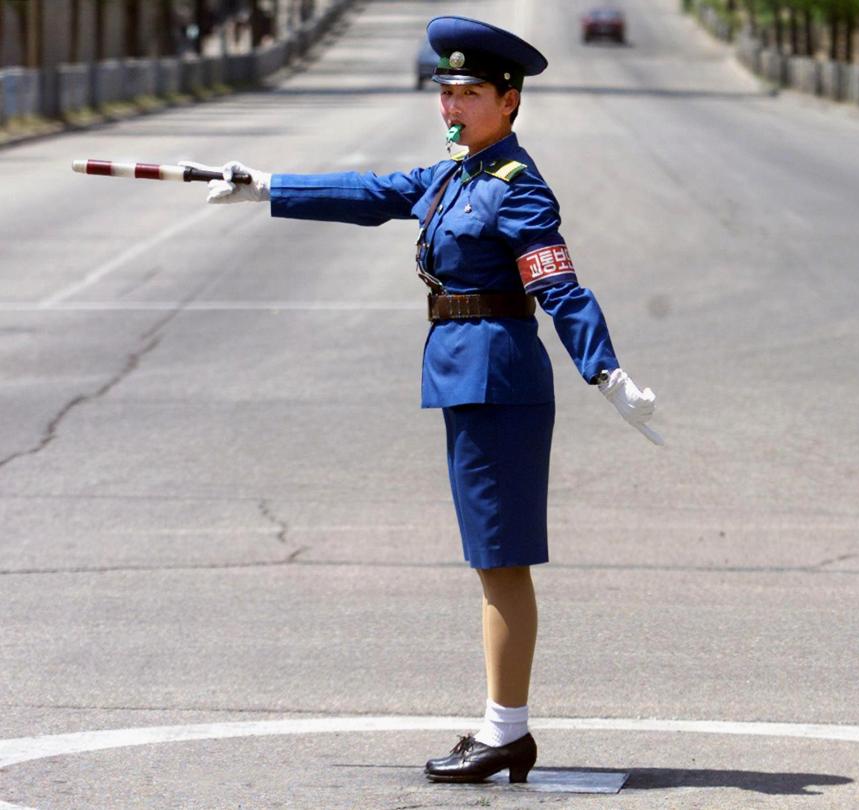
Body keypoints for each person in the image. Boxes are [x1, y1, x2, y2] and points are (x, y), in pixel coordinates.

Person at [181, 15, 659, 785]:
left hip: (498, 382)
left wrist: (606, 374)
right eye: (446, 92)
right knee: (490, 556)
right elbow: (374, 191)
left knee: (500, 559)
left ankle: (506, 730)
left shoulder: (516, 188)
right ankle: (504, 727)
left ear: (509, 101)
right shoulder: (456, 174)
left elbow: (559, 287)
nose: (452, 107)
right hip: (467, 377)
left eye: (469, 93)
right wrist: (265, 186)